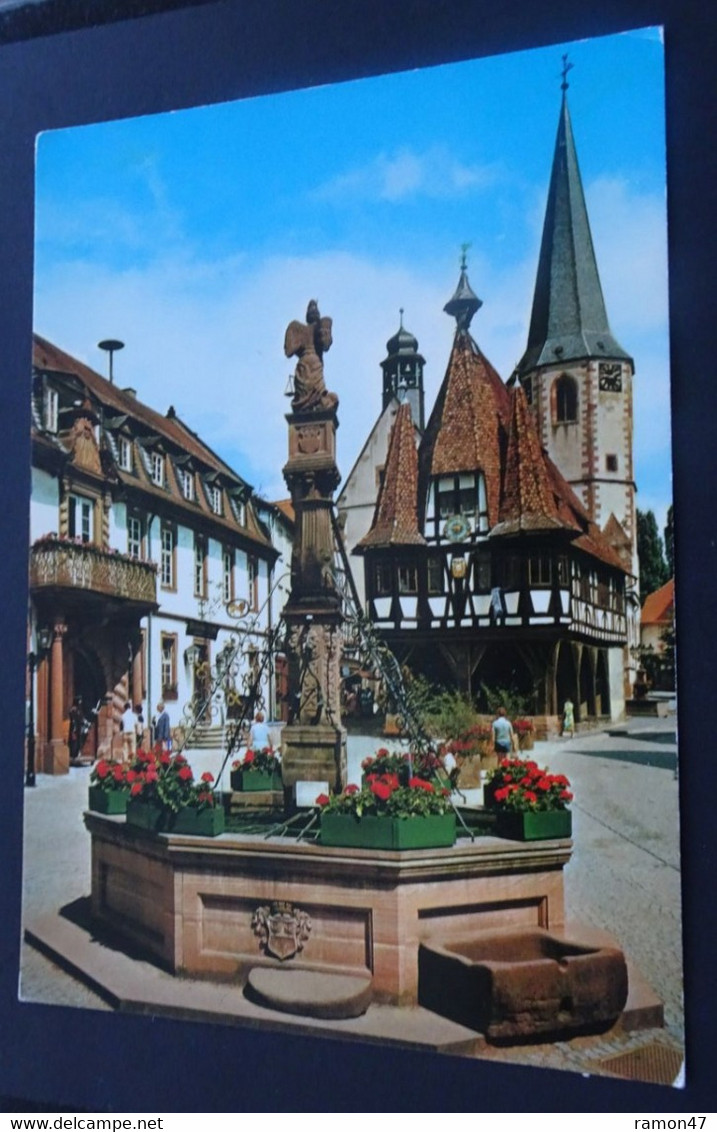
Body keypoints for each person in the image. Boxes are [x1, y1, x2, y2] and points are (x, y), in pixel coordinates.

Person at [68, 695, 86, 761]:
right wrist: (74, 729)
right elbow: (73, 720)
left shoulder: (79, 709)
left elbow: (81, 718)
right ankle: (73, 755)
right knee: (74, 742)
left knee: (78, 741)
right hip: (74, 728)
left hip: (79, 728)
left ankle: (77, 753)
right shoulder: (73, 710)